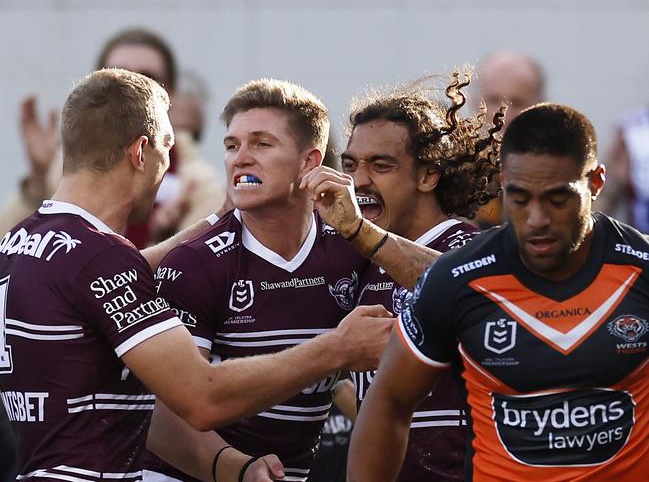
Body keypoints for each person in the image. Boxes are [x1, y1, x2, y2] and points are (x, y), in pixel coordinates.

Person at [0, 68, 396, 482]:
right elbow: (201, 397)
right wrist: (336, 349)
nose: (239, 157)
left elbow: (96, 275)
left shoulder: (20, 241)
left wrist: (213, 220)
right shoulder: (105, 259)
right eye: (167, 147)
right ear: (140, 153)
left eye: (261, 143)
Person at [146, 78, 442, 482]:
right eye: (232, 146)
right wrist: (239, 468)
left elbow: (464, 287)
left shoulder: (350, 248)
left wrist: (362, 232)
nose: (240, 159)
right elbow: (164, 421)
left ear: (309, 163)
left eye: (261, 144)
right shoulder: (197, 262)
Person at [348, 103, 649, 481]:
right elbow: (388, 403)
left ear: (596, 182)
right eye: (520, 199)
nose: (537, 219)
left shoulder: (641, 270)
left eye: (558, 199)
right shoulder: (456, 278)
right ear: (504, 182)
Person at [339, 72, 502, 481]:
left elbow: (459, 286)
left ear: (429, 176)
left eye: (380, 165)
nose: (359, 181)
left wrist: (362, 234)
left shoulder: (473, 251)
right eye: (350, 165)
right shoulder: (354, 259)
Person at [0, 28, 225, 247]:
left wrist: (161, 237)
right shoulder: (60, 168)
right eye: (119, 77)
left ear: (171, 95)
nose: (131, 92)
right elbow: (11, 260)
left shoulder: (201, 187)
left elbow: (189, 279)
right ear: (96, 89)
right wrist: (39, 178)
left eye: (148, 79)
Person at [474, 50, 546, 229]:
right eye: (493, 101)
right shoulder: (449, 172)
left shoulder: (560, 170)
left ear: (541, 106)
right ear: (474, 103)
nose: (503, 116)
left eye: (517, 103)